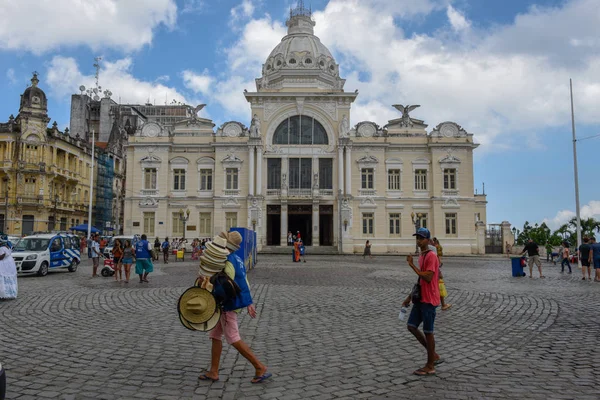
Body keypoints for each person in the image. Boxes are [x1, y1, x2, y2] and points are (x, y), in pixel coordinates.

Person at [199, 231, 271, 384]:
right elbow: (244, 281)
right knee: (215, 335)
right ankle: (213, 371)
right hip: (229, 304)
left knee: (233, 338)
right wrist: (248, 302)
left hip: (227, 305)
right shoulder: (237, 259)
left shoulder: (226, 261)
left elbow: (226, 284)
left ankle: (259, 367)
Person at [401, 227, 442, 376]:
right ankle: (434, 354)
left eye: (421, 238)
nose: (418, 241)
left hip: (430, 299)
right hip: (420, 298)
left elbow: (429, 277)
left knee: (428, 332)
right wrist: (410, 297)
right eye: (417, 238)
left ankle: (430, 365)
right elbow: (420, 280)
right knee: (411, 326)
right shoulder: (422, 256)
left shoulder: (431, 256)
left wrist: (412, 266)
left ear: (428, 240)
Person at [432, 238, 451, 311]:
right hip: (435, 272)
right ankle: (443, 304)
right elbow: (438, 258)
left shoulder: (432, 249)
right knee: (440, 288)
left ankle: (442, 304)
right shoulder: (435, 249)